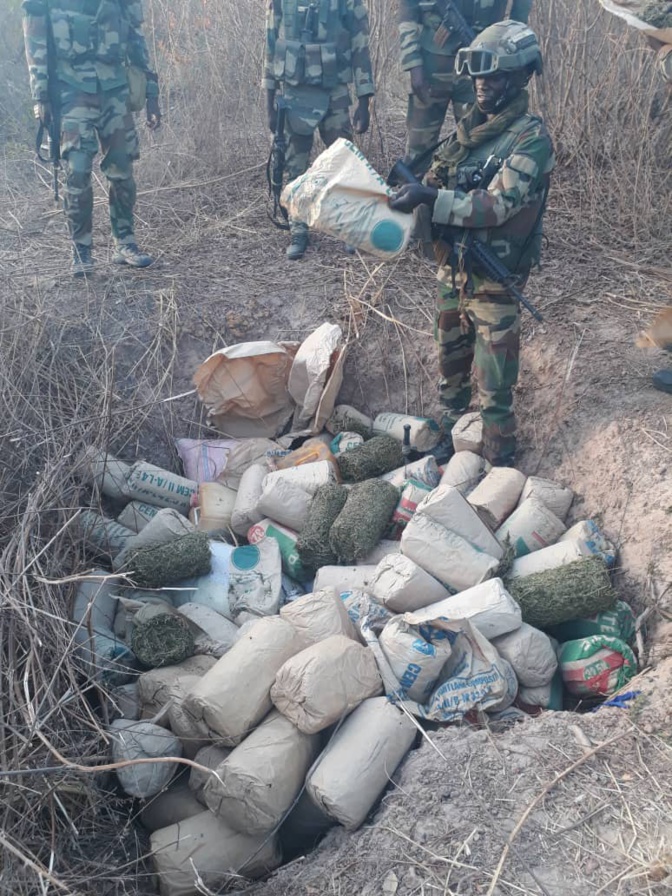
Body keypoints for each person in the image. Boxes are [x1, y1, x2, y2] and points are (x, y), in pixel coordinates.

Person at [390, 20, 554, 468]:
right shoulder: (466, 131)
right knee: (451, 370)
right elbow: (436, 177)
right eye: (478, 76)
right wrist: (416, 190)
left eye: (494, 76)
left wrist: (431, 197)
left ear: (520, 77)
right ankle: (451, 444)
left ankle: (501, 462)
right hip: (454, 271)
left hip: (494, 283)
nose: (482, 86)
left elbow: (498, 207)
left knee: (494, 387)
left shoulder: (530, 139)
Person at [22, 0, 161, 278]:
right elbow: (34, 37)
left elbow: (136, 35)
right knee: (77, 170)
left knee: (122, 169)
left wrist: (151, 91)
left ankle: (125, 243)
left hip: (115, 87)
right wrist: (41, 95)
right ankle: (82, 251)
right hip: (71, 89)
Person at [263, 0, 375, 260]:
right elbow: (269, 46)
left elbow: (360, 43)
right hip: (293, 91)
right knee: (295, 167)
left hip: (334, 91)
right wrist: (268, 103)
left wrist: (364, 99)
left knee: (344, 163)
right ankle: (298, 229)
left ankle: (349, 226)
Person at [399, 0, 533, 169]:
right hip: (431, 65)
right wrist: (413, 62)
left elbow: (521, 8)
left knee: (478, 143)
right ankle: (410, 191)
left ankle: (466, 194)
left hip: (485, 64)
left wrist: (512, 51)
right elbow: (407, 7)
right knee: (418, 149)